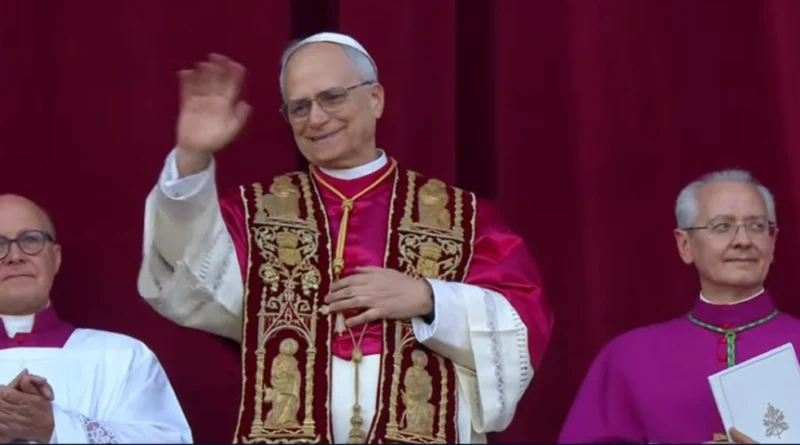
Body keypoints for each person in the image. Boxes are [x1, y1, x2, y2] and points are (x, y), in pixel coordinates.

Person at [136, 32, 554, 444]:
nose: (315, 118)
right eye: (299, 107)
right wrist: (192, 156)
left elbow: (522, 323)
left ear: (376, 99)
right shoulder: (254, 215)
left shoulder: (460, 216)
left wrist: (430, 299)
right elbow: (187, 272)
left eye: (332, 97)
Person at [558, 169, 796, 444]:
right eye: (722, 227)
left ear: (773, 242)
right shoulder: (628, 357)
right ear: (685, 245)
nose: (743, 241)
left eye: (756, 226)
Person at [0, 194, 192, 443]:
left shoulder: (123, 356)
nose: (15, 256)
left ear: (55, 257)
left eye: (31, 240)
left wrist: (56, 427)